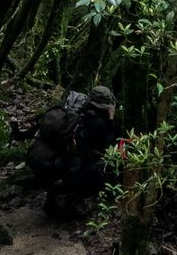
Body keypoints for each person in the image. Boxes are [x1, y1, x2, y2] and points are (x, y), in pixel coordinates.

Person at [27, 83, 116, 222]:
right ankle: (75, 201)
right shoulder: (97, 123)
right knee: (105, 166)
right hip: (69, 173)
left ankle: (56, 197)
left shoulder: (73, 113)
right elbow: (108, 144)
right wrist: (111, 121)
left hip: (49, 165)